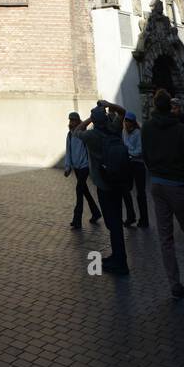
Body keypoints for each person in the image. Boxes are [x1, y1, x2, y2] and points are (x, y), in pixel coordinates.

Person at [142, 89, 184, 299]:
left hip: (157, 185)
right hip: (178, 186)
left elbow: (145, 155)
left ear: (154, 105)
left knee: (165, 237)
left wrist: (154, 170)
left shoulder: (146, 128)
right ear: (170, 107)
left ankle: (174, 284)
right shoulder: (181, 131)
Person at [75, 104, 133, 275]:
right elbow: (123, 111)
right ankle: (116, 256)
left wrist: (89, 119)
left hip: (104, 184)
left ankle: (120, 262)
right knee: (115, 222)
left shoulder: (91, 135)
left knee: (113, 223)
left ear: (95, 120)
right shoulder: (114, 128)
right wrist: (108, 104)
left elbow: (77, 131)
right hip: (119, 180)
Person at [63, 111, 102, 230]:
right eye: (70, 120)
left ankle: (77, 220)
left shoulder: (83, 133)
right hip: (77, 168)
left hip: (85, 167)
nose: (71, 123)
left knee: (79, 190)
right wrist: (67, 167)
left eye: (73, 120)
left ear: (78, 121)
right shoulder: (69, 135)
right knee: (85, 191)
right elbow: (68, 151)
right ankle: (96, 213)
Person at [119, 109, 148, 228]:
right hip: (128, 164)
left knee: (140, 193)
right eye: (125, 121)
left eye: (128, 121)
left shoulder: (138, 133)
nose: (126, 124)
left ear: (133, 122)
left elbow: (139, 150)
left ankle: (144, 219)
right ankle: (131, 216)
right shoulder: (124, 132)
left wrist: (129, 152)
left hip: (138, 164)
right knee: (125, 190)